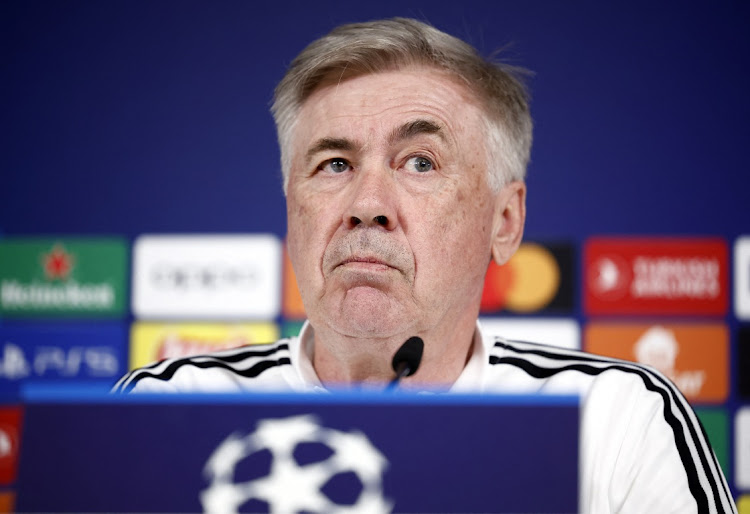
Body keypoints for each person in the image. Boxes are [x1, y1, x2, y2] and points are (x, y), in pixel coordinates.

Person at [113, 18, 736, 513]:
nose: (367, 205)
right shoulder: (163, 409)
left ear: (505, 222)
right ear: (290, 208)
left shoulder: (616, 416)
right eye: (334, 164)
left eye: (420, 162)